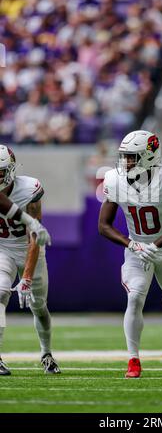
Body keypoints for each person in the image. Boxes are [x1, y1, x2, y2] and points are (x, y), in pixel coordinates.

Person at [99, 130, 162, 378]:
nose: (126, 162)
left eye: (132, 157)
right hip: (136, 249)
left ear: (149, 155)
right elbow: (104, 225)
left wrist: (155, 245)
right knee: (134, 298)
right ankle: (133, 360)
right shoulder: (114, 179)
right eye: (124, 157)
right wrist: (130, 245)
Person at [0, 145, 60, 375]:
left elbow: (33, 237)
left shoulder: (29, 189)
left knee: (39, 306)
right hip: (3, 248)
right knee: (1, 293)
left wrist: (25, 277)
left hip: (28, 248)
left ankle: (46, 353)